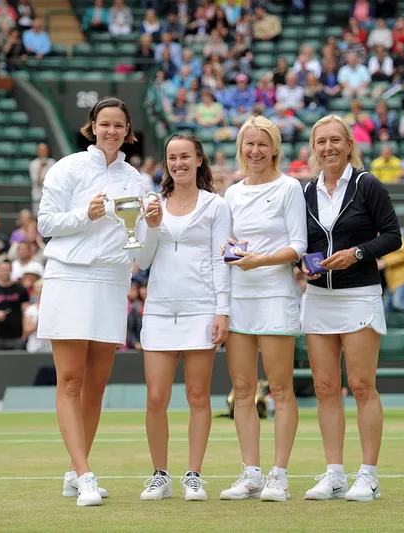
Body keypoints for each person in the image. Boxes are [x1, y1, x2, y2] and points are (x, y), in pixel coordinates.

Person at [36, 97, 161, 507]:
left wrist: (155, 226)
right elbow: (46, 225)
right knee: (70, 380)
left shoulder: (138, 181)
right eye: (104, 124)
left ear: (128, 132)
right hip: (68, 277)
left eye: (119, 126)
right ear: (92, 126)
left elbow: (141, 250)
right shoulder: (67, 168)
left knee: (96, 386)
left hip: (112, 282)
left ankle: (76, 471)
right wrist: (83, 216)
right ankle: (85, 473)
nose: (112, 131)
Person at [298, 114, 401, 502]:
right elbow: (299, 241)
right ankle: (335, 473)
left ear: (348, 144)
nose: (328, 148)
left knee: (360, 385)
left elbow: (393, 236)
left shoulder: (367, 184)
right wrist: (302, 262)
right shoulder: (305, 192)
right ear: (313, 147)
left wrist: (356, 253)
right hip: (318, 298)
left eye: (335, 140)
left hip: (359, 294)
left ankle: (369, 475)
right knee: (325, 388)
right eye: (321, 141)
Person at [130, 133, 230, 501]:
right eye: (172, 157)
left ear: (199, 160)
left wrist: (222, 310)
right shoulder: (152, 203)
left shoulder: (216, 206)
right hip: (158, 311)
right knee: (156, 397)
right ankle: (160, 474)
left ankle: (194, 475)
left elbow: (222, 260)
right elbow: (142, 259)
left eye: (185, 156)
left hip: (201, 309)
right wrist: (152, 224)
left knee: (197, 395)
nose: (178, 163)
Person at [218, 116, 307, 502]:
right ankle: (251, 474)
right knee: (242, 389)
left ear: (274, 148)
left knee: (281, 389)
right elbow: (225, 246)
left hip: (275, 295)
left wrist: (261, 261)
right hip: (239, 298)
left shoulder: (290, 188)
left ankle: (279, 475)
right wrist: (233, 252)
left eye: (262, 144)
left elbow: (298, 246)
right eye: (248, 144)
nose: (255, 151)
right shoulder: (232, 193)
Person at [29, 143, 56, 215]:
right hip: (37, 196)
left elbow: (54, 180)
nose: (43, 152)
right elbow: (36, 181)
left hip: (50, 196)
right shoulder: (33, 164)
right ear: (38, 152)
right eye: (41, 150)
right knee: (37, 216)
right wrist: (40, 168)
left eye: (45, 150)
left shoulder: (52, 163)